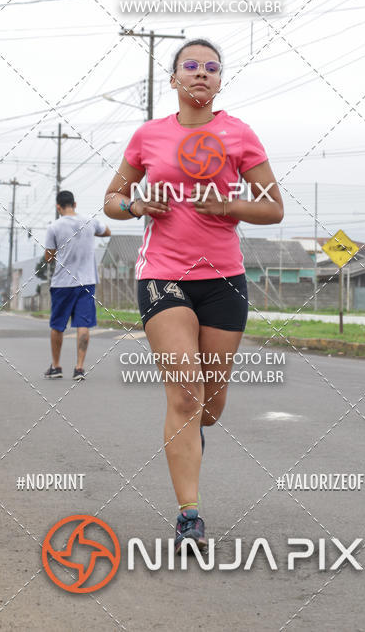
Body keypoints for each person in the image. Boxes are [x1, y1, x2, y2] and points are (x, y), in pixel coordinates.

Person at [104, 38, 283, 552]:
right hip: (163, 274)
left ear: (220, 80)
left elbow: (273, 208)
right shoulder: (148, 136)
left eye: (211, 67)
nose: (201, 74)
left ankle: (193, 431)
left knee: (210, 404)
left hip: (224, 279)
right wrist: (138, 204)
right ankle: (190, 514)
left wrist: (228, 205)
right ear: (174, 78)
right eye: (191, 67)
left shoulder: (238, 134)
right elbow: (112, 200)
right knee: (185, 392)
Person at [44, 190, 111, 382]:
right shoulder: (90, 221)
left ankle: (56, 366)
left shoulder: (54, 227)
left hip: (62, 283)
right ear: (75, 204)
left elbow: (49, 257)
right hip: (87, 282)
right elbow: (106, 231)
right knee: (83, 324)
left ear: (58, 207)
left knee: (57, 325)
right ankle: (79, 368)